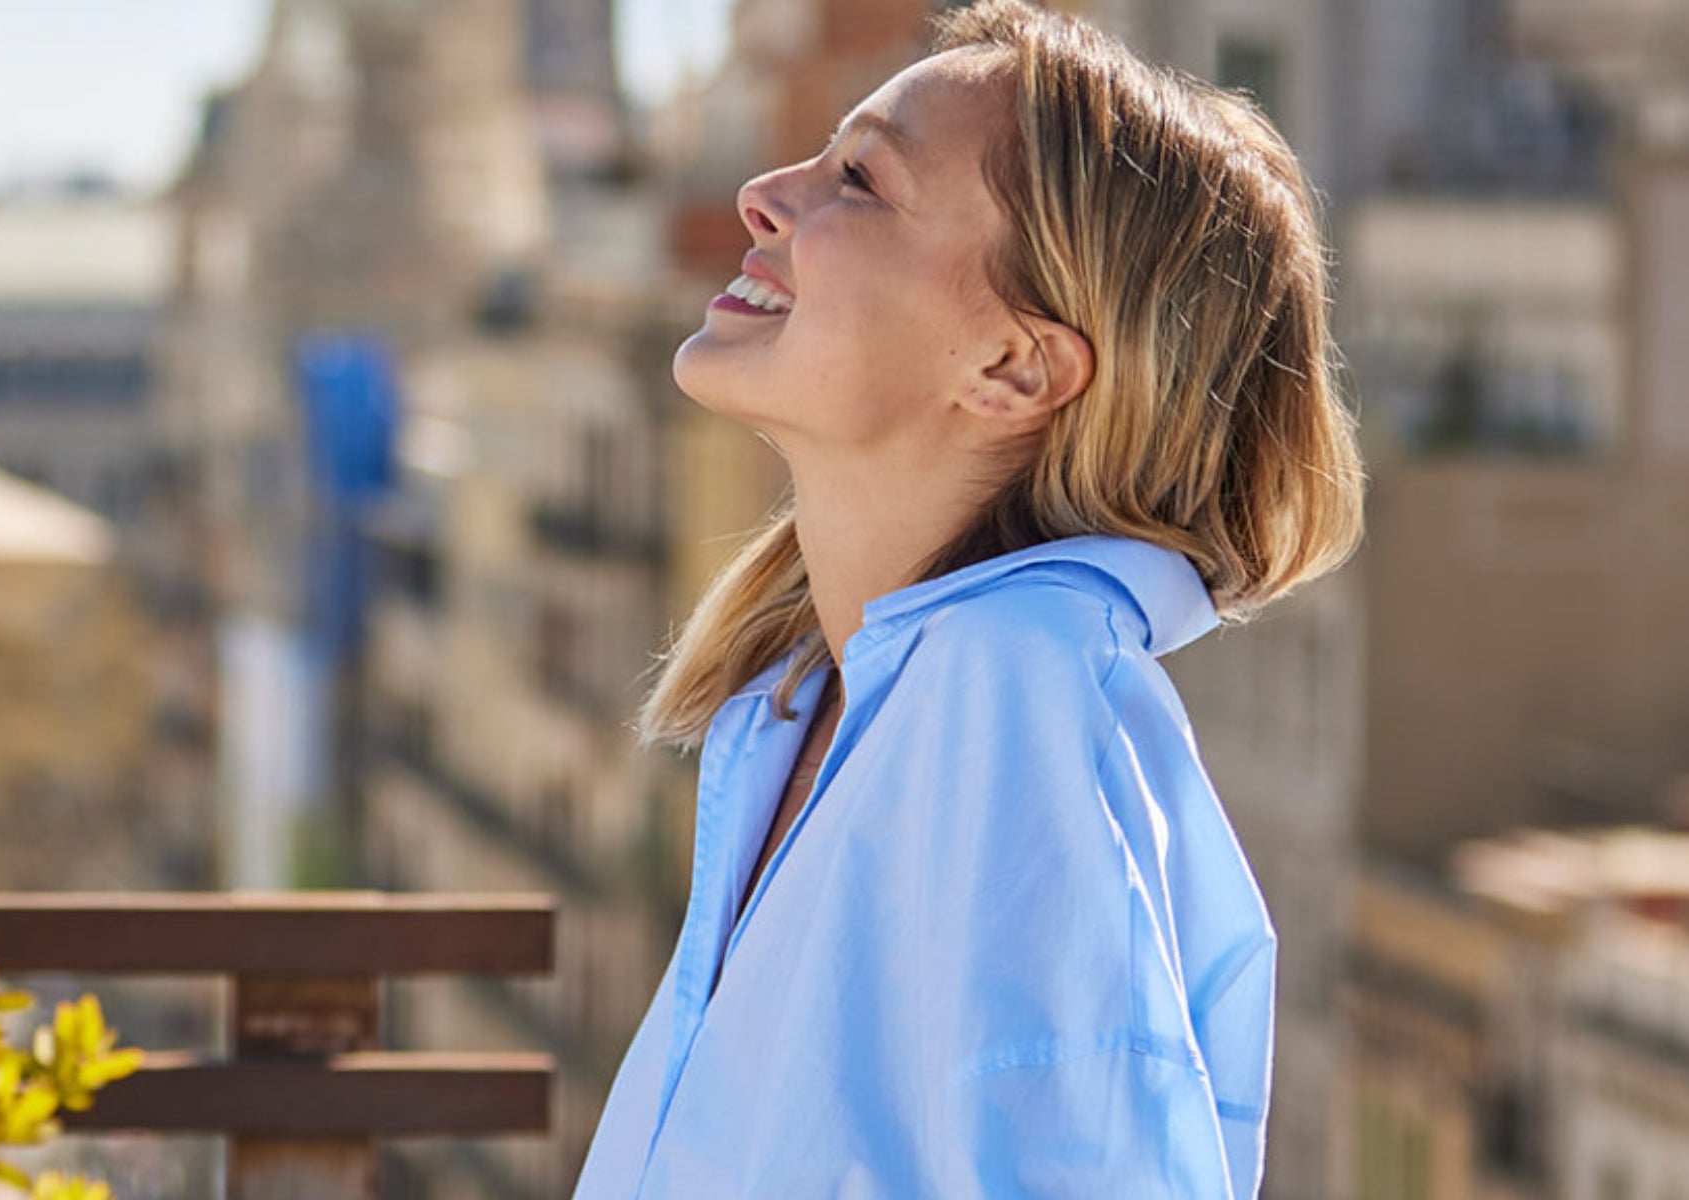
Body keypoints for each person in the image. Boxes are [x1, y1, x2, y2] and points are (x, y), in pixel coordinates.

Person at [569, 1, 1364, 1197]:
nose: (764, 194)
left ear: (1015, 366)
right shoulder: (813, 709)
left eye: (862, 181)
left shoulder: (1010, 694)